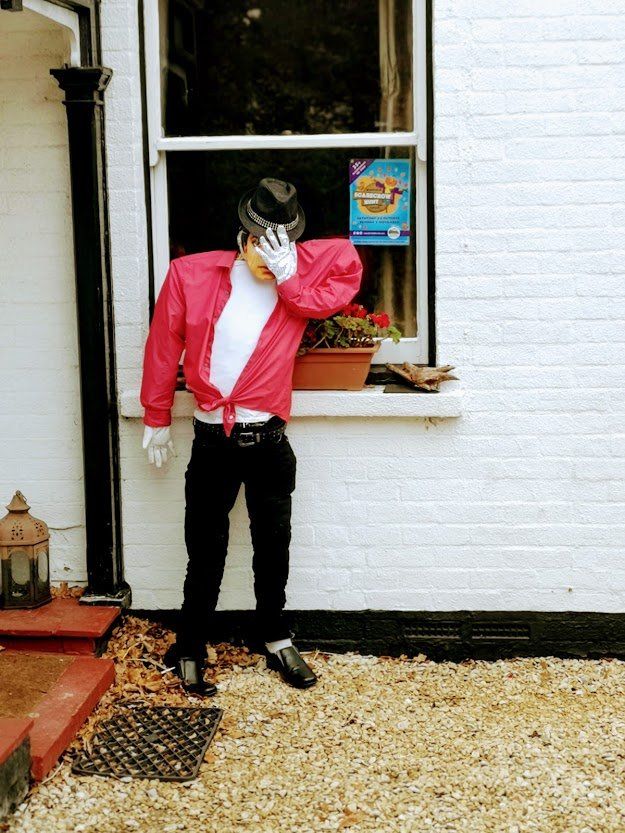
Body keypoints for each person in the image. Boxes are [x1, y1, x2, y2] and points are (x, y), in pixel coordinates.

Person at [140, 177, 363, 695]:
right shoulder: (190, 274)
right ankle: (190, 644)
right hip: (212, 441)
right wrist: (155, 416)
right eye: (262, 241)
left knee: (273, 547)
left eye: (281, 243)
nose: (270, 254)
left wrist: (292, 279)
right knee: (206, 549)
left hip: (269, 443)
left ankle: (275, 637)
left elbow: (345, 273)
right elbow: (161, 346)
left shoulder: (297, 277)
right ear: (242, 233)